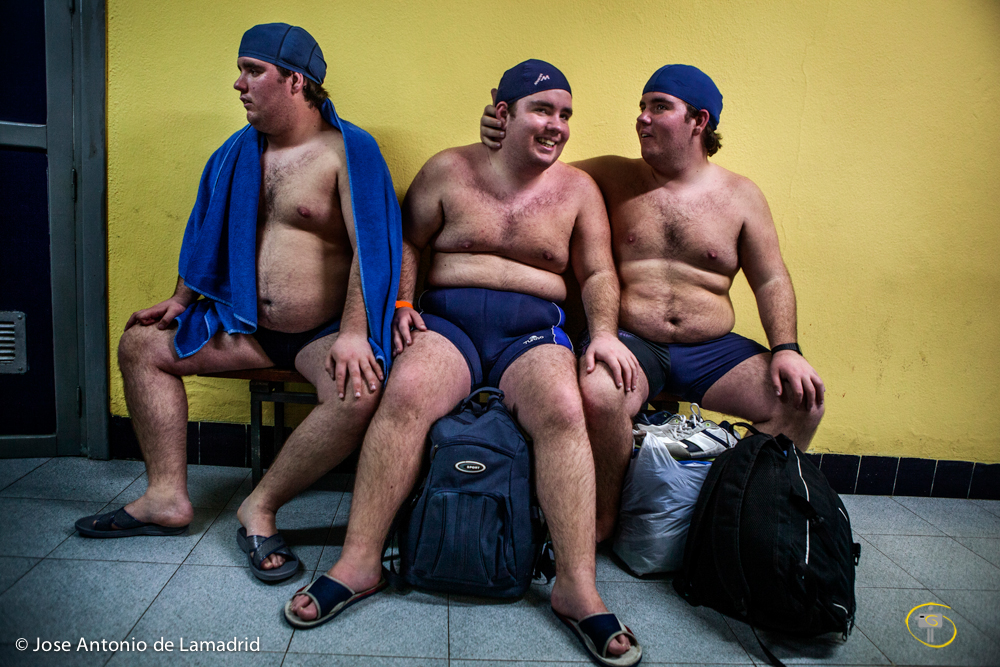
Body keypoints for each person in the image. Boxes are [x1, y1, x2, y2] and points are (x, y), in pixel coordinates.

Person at [283, 59, 642, 666]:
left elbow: (600, 271)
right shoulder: (449, 169)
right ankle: (359, 561)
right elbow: (411, 242)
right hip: (448, 325)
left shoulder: (578, 191)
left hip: (532, 332)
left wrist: (603, 334)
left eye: (565, 114)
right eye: (543, 110)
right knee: (406, 394)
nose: (557, 126)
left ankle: (576, 588)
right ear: (502, 113)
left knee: (562, 408)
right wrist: (400, 301)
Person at [75, 23, 402, 582]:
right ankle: (165, 498)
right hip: (243, 321)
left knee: (357, 392)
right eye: (241, 70)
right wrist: (182, 300)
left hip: (318, 331)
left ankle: (262, 504)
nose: (239, 84)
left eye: (253, 71)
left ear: (296, 81)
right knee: (139, 344)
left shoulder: (348, 152)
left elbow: (371, 252)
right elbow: (205, 231)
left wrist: (353, 333)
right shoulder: (235, 153)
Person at [481, 64, 825, 542]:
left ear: (699, 121)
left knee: (802, 403)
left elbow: (770, 279)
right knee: (600, 393)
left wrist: (786, 347)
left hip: (711, 350)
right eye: (641, 107)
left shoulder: (742, 196)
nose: (642, 118)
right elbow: (534, 166)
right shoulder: (609, 175)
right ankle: (605, 519)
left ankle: (741, 513)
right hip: (633, 342)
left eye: (658, 107)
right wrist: (498, 130)